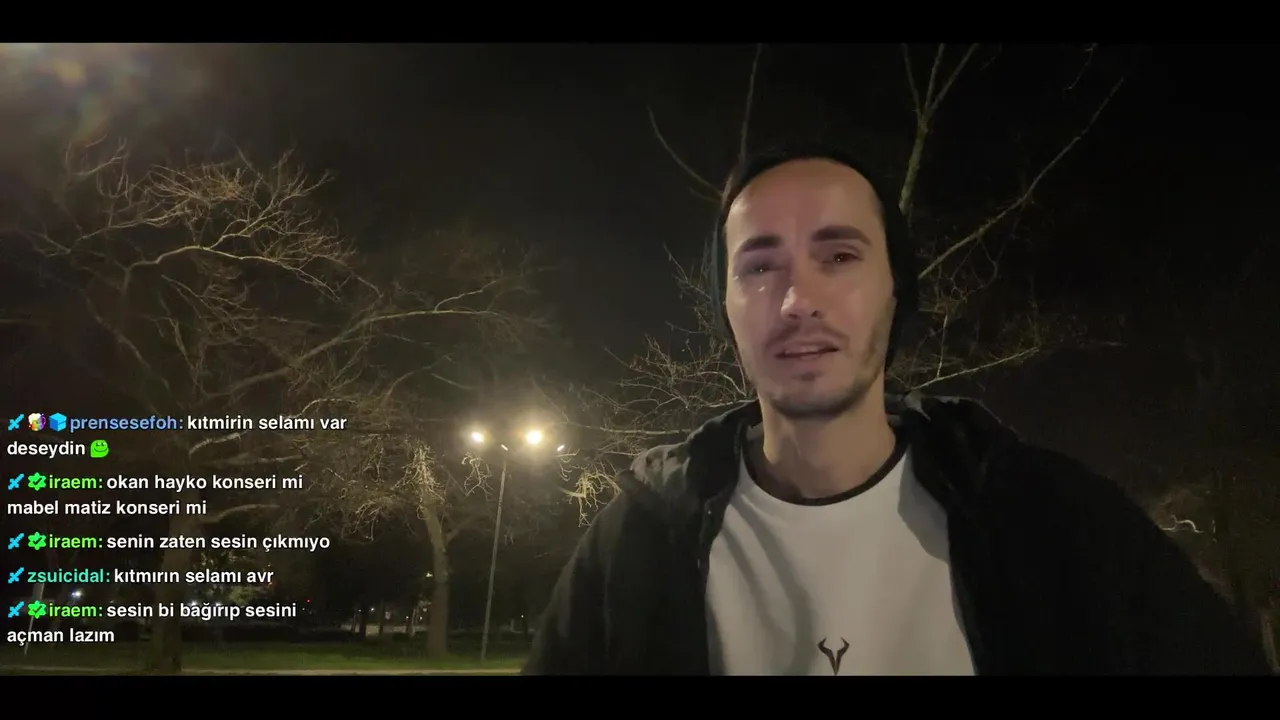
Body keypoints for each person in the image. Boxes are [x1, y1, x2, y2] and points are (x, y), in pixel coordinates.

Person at [523, 145, 1270, 675]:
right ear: (727, 307)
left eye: (839, 255)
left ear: (895, 291)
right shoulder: (639, 542)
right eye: (759, 265)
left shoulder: (1053, 522)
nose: (797, 299)